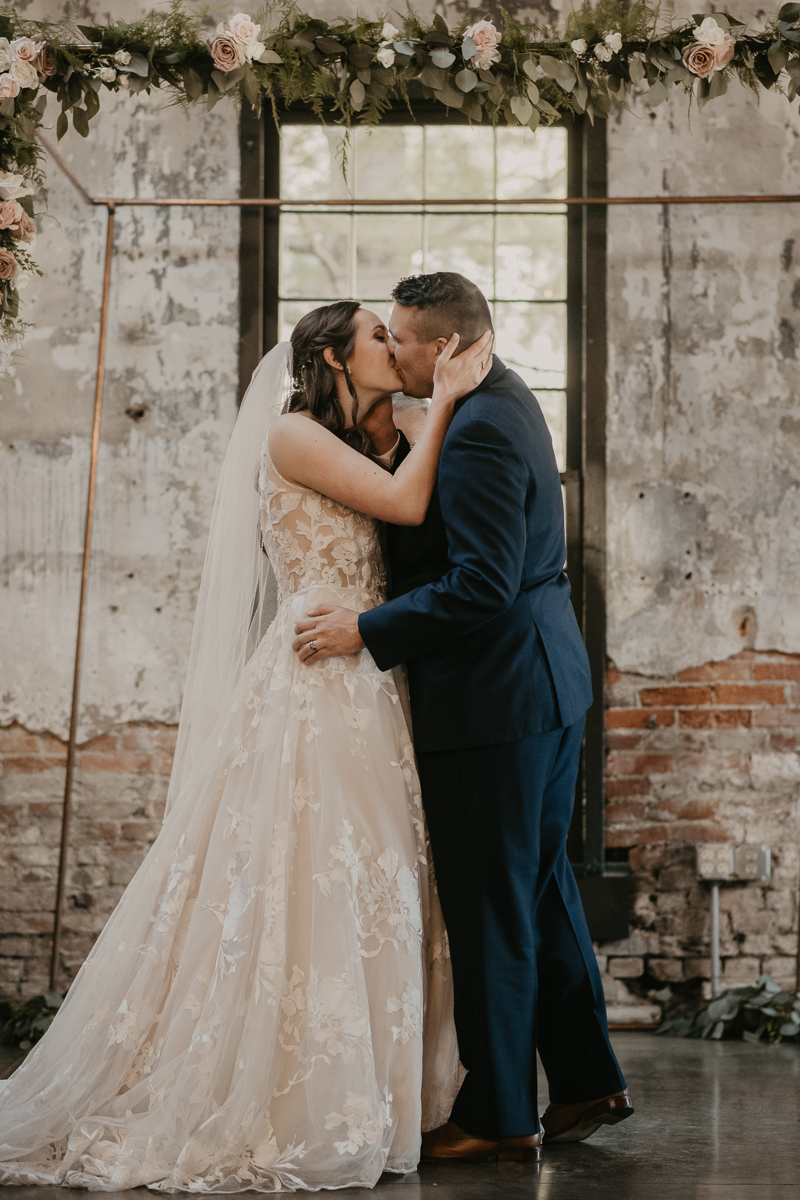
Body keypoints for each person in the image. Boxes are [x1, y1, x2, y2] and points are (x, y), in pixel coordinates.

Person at [0, 301, 491, 1192]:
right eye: (378, 334)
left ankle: (375, 1086)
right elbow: (407, 501)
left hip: (370, 666)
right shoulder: (291, 437)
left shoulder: (384, 427)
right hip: (314, 666)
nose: (396, 345)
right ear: (336, 359)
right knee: (300, 867)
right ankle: (273, 1089)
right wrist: (448, 400)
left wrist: (424, 413)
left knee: (374, 870)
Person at [292, 273, 634, 1160]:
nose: (394, 351)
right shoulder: (499, 397)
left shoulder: (476, 431)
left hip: (497, 700)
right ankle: (589, 1075)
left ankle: (500, 1114)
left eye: (401, 338)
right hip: (543, 686)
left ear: (443, 348)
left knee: (492, 904)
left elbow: (481, 581)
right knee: (540, 887)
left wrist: (366, 630)